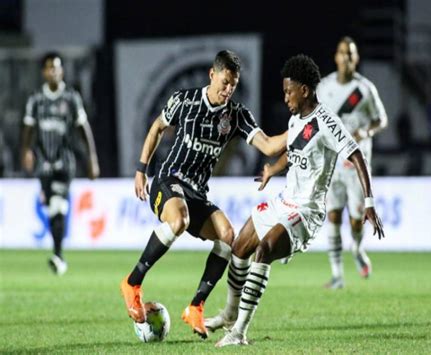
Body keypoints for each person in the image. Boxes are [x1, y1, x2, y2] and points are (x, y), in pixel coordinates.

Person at [204, 54, 384, 347]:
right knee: (240, 246)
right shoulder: (297, 119)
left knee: (263, 251)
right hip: (284, 201)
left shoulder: (327, 121)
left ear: (304, 90)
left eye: (289, 91)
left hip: (306, 211)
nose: (285, 96)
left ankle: (239, 332)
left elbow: (356, 154)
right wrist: (272, 170)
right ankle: (228, 313)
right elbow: (294, 148)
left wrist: (369, 202)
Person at [119, 50, 287, 339]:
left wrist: (298, 128)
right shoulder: (184, 100)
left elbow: (270, 146)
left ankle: (195, 306)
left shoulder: (236, 115)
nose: (228, 89)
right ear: (212, 74)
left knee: (227, 236)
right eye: (224, 82)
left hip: (196, 192)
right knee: (179, 220)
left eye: (233, 84)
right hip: (167, 180)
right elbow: (157, 127)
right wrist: (140, 169)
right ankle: (132, 283)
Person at [316, 37, 387, 288]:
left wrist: (366, 132)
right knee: (333, 216)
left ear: (356, 59)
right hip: (332, 163)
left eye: (351, 53)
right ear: (336, 56)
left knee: (357, 220)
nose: (346, 57)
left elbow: (381, 119)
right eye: (342, 52)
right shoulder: (323, 87)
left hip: (356, 165)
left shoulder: (365, 89)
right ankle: (337, 275)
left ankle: (356, 250)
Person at [20, 51, 100, 275]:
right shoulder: (36, 99)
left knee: (58, 207)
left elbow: (84, 129)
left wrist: (92, 159)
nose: (52, 71)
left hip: (65, 163)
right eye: (48, 68)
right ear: (44, 72)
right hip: (43, 164)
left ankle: (58, 256)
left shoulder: (71, 98)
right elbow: (28, 128)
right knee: (52, 209)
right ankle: (58, 254)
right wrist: (26, 151)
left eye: (56, 67)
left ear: (61, 71)